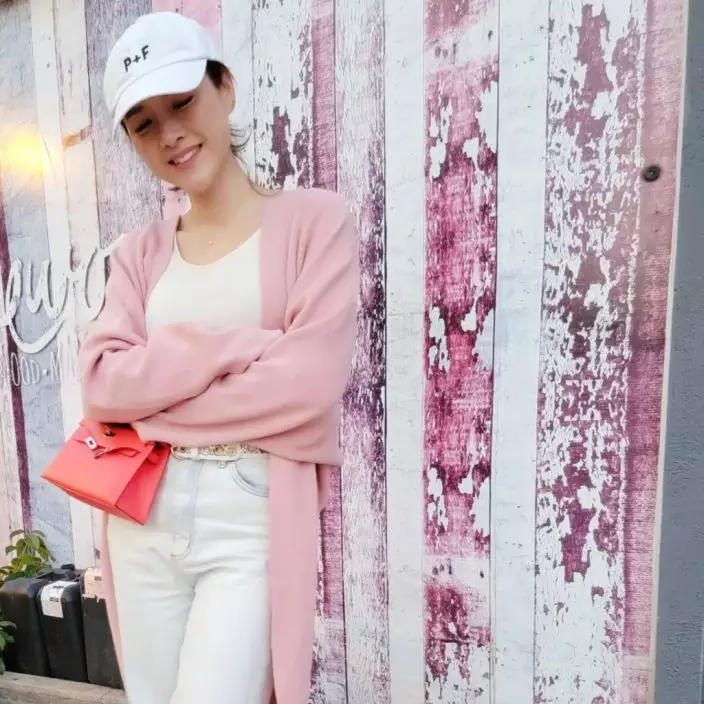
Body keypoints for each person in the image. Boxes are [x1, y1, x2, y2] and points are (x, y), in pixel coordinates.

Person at [78, 11, 358, 704]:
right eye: (144, 124)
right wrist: (237, 350)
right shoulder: (139, 255)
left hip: (248, 517)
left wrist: (152, 405)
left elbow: (307, 385)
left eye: (182, 102)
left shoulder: (316, 222)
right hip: (141, 517)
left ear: (224, 87)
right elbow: (103, 385)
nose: (170, 133)